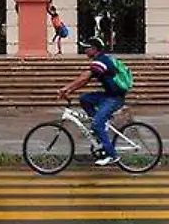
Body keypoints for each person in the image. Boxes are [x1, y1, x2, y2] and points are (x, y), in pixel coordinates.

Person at [56, 36, 131, 166]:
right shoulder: (99, 60)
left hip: (115, 98)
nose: (84, 50)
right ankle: (101, 125)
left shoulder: (101, 61)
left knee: (96, 124)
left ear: (94, 49)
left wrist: (66, 88)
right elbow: (85, 80)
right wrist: (70, 90)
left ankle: (111, 155)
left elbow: (85, 77)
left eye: (87, 48)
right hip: (108, 95)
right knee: (84, 99)